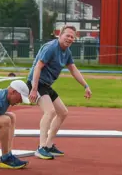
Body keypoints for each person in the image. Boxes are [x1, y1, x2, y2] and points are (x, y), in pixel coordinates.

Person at [27, 25, 92, 160]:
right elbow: (38, 67)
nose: (69, 38)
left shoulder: (66, 52)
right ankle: (41, 147)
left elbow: (73, 69)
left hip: (46, 85)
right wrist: (33, 88)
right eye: (67, 35)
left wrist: (86, 85)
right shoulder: (51, 47)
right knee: (49, 112)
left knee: (63, 112)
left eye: (72, 37)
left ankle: (49, 145)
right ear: (60, 35)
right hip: (37, 83)